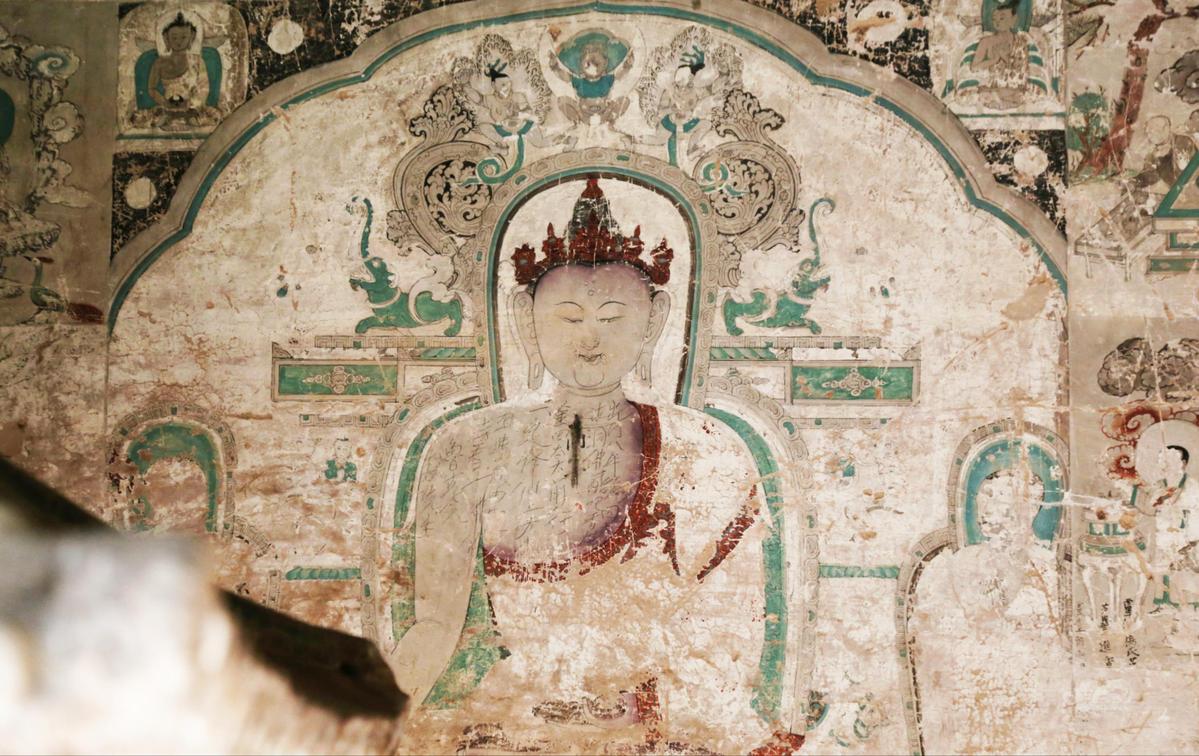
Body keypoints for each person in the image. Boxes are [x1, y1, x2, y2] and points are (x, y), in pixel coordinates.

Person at [389, 178, 787, 753]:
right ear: (525, 318)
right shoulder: (464, 447)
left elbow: (729, 639)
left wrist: (639, 705)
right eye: (569, 318)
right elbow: (434, 627)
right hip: (516, 719)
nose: (590, 341)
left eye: (613, 318)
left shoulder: (704, 449)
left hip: (651, 726)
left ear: (654, 320)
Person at [914, 468, 1071, 754]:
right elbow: (944, 629)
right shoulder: (964, 561)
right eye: (982, 498)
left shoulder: (1050, 567)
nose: (984, 511)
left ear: (1027, 510)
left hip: (1035, 696)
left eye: (997, 499)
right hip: (974, 690)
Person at [942, 0, 1056, 110]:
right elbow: (974, 67)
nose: (997, 22)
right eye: (994, 19)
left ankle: (1003, 97)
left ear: (1013, 19)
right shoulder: (986, 41)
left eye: (1002, 18)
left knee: (1027, 94)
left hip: (1014, 86)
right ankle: (1001, 97)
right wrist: (994, 60)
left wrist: (1006, 58)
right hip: (992, 87)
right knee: (977, 95)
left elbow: (1021, 70)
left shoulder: (1021, 42)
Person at [133, 12, 220, 130]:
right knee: (143, 118)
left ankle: (187, 119)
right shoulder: (160, 62)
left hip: (191, 108)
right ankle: (168, 119)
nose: (179, 41)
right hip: (167, 107)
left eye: (183, 37)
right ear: (166, 38)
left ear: (191, 37)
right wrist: (164, 102)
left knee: (212, 116)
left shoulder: (197, 61)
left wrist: (191, 103)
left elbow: (204, 88)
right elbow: (151, 89)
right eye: (174, 37)